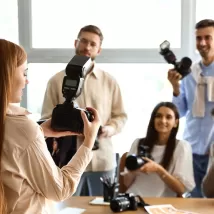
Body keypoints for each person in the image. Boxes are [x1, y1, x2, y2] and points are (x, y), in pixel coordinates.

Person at [0, 39, 101, 214]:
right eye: (24, 73)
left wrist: (40, 131)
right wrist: (88, 142)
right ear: (7, 74)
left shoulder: (11, 124)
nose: (27, 81)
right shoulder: (22, 127)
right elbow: (60, 189)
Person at [41, 25, 127, 196]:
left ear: (99, 50)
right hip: (68, 160)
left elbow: (121, 116)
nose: (87, 47)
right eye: (84, 41)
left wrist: (107, 129)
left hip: (102, 160)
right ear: (76, 43)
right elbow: (46, 118)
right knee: (68, 208)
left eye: (93, 44)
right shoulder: (56, 81)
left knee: (103, 209)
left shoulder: (110, 81)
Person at [168, 19, 214, 197]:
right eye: (199, 38)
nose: (202, 43)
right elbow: (180, 112)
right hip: (193, 148)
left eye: (208, 38)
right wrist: (175, 88)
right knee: (192, 201)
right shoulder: (190, 72)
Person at [123, 102, 195, 197]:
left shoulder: (182, 147)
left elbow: (181, 189)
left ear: (175, 123)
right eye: (158, 116)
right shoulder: (138, 143)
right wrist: (133, 171)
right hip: (134, 198)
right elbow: (126, 183)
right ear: (153, 120)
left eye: (168, 117)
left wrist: (158, 169)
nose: (163, 120)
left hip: (162, 202)